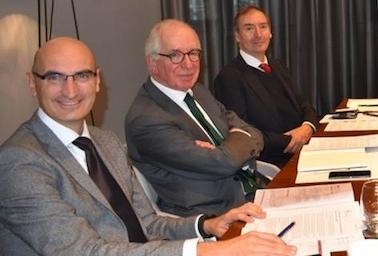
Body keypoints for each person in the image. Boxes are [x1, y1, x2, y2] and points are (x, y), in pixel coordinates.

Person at [0, 37, 296, 256]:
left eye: (82, 75)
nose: (70, 90)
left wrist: (208, 225)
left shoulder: (106, 142)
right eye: (54, 77)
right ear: (32, 83)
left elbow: (146, 223)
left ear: (97, 81)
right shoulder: (19, 161)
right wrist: (210, 251)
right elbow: (82, 251)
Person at [126, 19, 267, 217]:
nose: (188, 64)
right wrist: (233, 145)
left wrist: (226, 149)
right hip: (215, 217)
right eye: (175, 55)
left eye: (193, 53)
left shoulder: (198, 91)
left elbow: (253, 133)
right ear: (152, 64)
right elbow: (222, 163)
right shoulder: (146, 119)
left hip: (254, 193)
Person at [214, 5, 319, 167]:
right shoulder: (229, 77)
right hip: (273, 162)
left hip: (304, 151)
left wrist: (308, 127)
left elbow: (304, 104)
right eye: (249, 28)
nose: (258, 34)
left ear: (270, 32)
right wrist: (292, 141)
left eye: (263, 27)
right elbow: (243, 132)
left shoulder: (277, 65)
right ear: (237, 36)